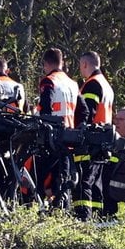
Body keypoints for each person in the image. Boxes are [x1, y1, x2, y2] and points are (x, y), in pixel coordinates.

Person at [71, 52, 116, 218]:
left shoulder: (92, 84)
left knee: (83, 183)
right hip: (103, 142)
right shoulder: (106, 84)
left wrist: (77, 132)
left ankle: (83, 218)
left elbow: (87, 112)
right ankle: (97, 218)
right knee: (96, 184)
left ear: (84, 64)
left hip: (90, 141)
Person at [34, 48, 80, 210]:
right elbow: (84, 110)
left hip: (50, 138)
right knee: (63, 179)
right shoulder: (73, 84)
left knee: (40, 177)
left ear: (46, 63)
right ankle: (63, 211)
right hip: (68, 138)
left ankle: (38, 210)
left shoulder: (49, 81)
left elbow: (45, 109)